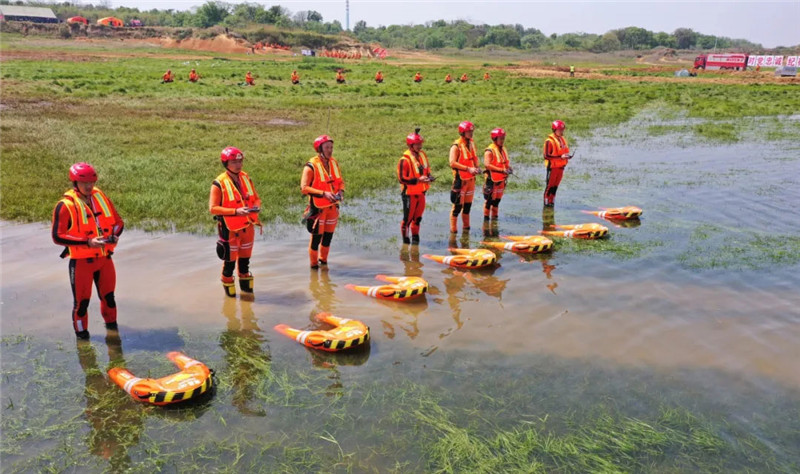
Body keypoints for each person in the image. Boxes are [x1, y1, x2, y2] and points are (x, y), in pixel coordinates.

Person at [51, 163, 124, 339]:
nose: (89, 186)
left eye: (92, 182)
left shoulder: (101, 197)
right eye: (85, 183)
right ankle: (83, 343)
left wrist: (113, 236)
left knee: (109, 299)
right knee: (81, 304)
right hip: (82, 262)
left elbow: (118, 223)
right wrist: (88, 242)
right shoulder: (65, 206)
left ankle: (113, 336)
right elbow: (57, 236)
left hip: (105, 259)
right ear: (75, 183)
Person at [209, 147, 262, 297]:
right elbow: (213, 208)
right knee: (229, 265)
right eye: (234, 162)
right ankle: (230, 300)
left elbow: (256, 198)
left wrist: (257, 206)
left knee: (245, 264)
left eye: (240, 161)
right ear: (226, 163)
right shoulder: (218, 183)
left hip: (247, 227)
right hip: (230, 230)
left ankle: (247, 298)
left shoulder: (245, 177)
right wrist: (235, 212)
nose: (238, 165)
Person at [301, 135, 345, 269]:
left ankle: (324, 263)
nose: (330, 150)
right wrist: (324, 193)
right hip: (318, 209)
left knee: (327, 238)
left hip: (333, 208)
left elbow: (340, 181)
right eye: (327, 147)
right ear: (320, 149)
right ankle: (313, 267)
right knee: (316, 240)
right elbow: (304, 188)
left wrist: (341, 191)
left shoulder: (333, 162)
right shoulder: (311, 166)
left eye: (331, 147)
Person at [397, 128, 433, 244]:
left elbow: (427, 170)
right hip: (409, 194)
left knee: (417, 219)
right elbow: (402, 179)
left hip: (421, 193)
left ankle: (416, 242)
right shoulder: (404, 160)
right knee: (407, 220)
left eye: (420, 143)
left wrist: (429, 177)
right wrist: (418, 180)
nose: (420, 146)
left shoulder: (422, 155)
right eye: (417, 144)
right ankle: (406, 243)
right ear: (411, 145)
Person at [449, 121, 481, 233]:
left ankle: (466, 230)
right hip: (460, 181)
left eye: (472, 131)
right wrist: (468, 169)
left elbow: (474, 158)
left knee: (467, 207)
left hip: (471, 180)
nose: (471, 133)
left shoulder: (472, 143)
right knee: (457, 207)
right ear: (462, 132)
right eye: (469, 131)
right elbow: (452, 163)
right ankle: (453, 232)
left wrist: (477, 168)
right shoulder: (456, 146)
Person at [483, 127, 512, 222]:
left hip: (501, 180)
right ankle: (486, 220)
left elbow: (505, 163)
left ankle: (495, 219)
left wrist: (509, 168)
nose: (503, 140)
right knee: (489, 201)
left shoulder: (503, 149)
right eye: (501, 138)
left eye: (503, 138)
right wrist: (502, 170)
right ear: (495, 139)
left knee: (497, 201)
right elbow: (487, 165)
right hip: (492, 180)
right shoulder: (489, 151)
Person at [542, 120, 571, 207]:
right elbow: (546, 155)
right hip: (553, 167)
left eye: (563, 130)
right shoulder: (549, 141)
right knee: (550, 186)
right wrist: (560, 157)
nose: (562, 131)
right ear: (554, 130)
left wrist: (566, 156)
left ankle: (552, 201)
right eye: (560, 130)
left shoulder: (562, 139)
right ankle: (546, 203)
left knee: (556, 186)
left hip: (561, 167)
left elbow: (563, 151)